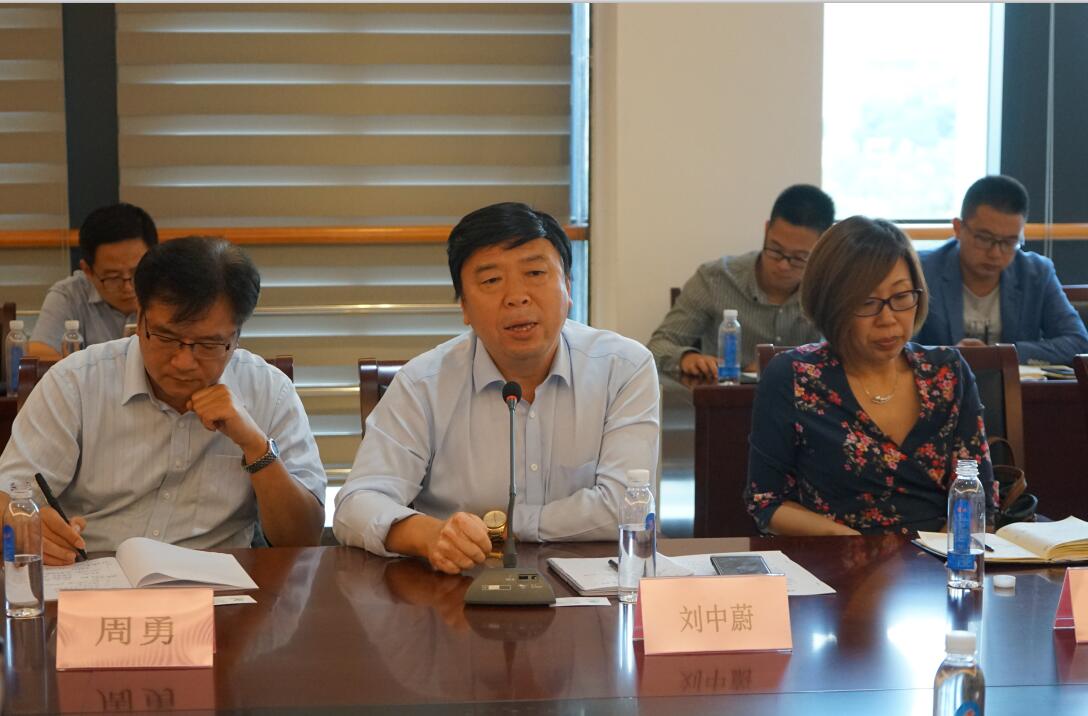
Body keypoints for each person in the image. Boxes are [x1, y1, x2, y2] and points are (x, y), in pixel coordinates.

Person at [334, 202, 660, 574]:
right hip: (457, 587)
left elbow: (626, 508)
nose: (516, 296)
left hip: (593, 593)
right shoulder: (423, 384)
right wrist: (429, 534)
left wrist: (506, 526)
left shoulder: (624, 369)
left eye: (535, 272)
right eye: (491, 281)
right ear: (464, 307)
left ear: (568, 287)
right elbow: (355, 505)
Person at [0, 237, 326, 565]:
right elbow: (6, 499)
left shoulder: (269, 391)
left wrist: (255, 445)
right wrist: (24, 525)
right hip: (93, 572)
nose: (183, 362)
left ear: (237, 335)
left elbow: (304, 539)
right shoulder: (76, 382)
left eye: (209, 344)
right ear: (140, 317)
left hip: (218, 583)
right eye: (166, 337)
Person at [745, 216, 996, 536]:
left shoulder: (948, 373)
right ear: (831, 304)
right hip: (835, 555)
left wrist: (947, 553)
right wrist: (851, 544)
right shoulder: (794, 377)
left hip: (940, 556)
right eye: (867, 303)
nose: (888, 319)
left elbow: (977, 493)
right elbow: (766, 502)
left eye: (901, 297)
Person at [647, 184, 834, 377]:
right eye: (776, 250)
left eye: (799, 257)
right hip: (728, 393)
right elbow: (658, 346)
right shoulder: (715, 279)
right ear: (766, 230)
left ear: (822, 248)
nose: (783, 265)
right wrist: (687, 358)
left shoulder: (829, 292)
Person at [915, 175, 1088, 365]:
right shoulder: (922, 270)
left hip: (1014, 384)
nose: (995, 253)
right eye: (984, 238)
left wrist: (1000, 354)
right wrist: (947, 356)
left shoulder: (1036, 273)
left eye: (1009, 242)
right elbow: (901, 346)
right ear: (958, 228)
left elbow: (1078, 342)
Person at [28, 203, 159, 359]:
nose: (128, 287)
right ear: (88, 270)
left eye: (137, 272)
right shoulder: (70, 295)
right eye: (113, 277)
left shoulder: (173, 290)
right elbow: (39, 355)